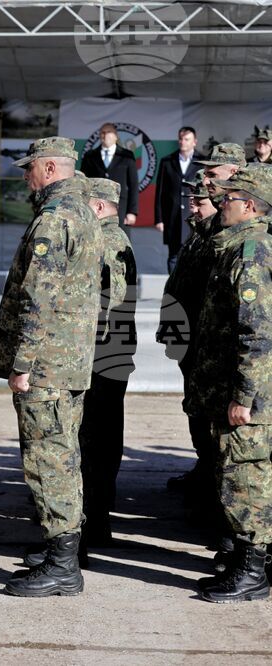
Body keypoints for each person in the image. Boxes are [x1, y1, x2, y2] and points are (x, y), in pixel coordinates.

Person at [0, 137, 102, 597]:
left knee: (47, 461)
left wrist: (23, 363)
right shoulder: (83, 214)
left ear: (51, 168)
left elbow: (38, 299)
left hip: (47, 367)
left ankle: (62, 565)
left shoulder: (56, 219)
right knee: (62, 458)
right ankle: (62, 551)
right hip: (67, 363)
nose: (25, 176)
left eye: (30, 168)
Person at [190, 167, 272, 603]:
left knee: (247, 480)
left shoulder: (253, 250)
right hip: (231, 388)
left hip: (249, 395)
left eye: (231, 197)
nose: (222, 203)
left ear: (253, 206)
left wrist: (245, 396)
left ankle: (252, 571)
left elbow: (256, 332)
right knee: (239, 476)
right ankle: (248, 563)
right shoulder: (236, 246)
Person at [78, 178, 138, 556]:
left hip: (104, 353)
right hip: (108, 351)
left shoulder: (109, 241)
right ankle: (95, 517)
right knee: (100, 438)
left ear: (98, 207)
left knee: (97, 440)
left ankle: (95, 521)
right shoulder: (110, 238)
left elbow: (110, 303)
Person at [158, 170, 223, 502]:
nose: (192, 209)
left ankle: (213, 481)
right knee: (194, 408)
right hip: (188, 341)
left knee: (207, 415)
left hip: (203, 342)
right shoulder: (199, 235)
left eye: (199, 202)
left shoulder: (219, 238)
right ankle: (204, 468)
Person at [155, 126, 204, 273]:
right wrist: (159, 219)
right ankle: (173, 292)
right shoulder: (167, 161)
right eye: (181, 139)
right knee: (173, 256)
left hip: (194, 216)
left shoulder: (202, 161)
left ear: (194, 142)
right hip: (173, 218)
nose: (183, 142)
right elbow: (160, 192)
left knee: (194, 255)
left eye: (186, 139)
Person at [79, 123, 139, 226]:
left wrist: (132, 212)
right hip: (95, 209)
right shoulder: (90, 156)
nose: (105, 135)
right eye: (102, 132)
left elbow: (133, 185)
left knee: (119, 240)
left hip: (120, 209)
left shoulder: (127, 156)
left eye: (108, 132)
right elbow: (83, 183)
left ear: (116, 136)